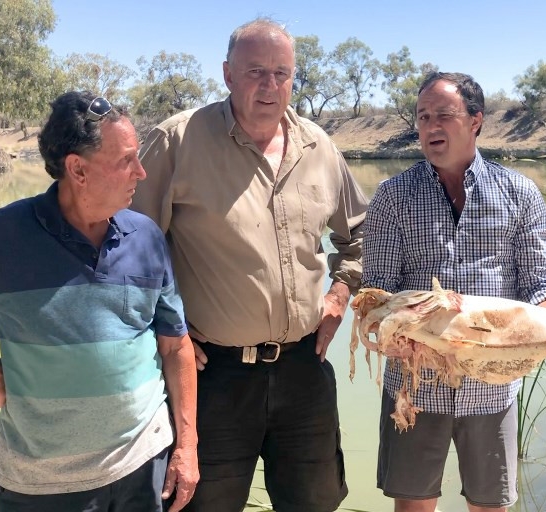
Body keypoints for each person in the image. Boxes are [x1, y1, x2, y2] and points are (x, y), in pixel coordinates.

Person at [0, 91, 199, 512]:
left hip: (145, 466)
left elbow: (176, 347)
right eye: (126, 161)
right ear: (77, 169)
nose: (141, 172)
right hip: (42, 485)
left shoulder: (147, 236)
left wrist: (186, 446)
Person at [131, 17, 368, 512]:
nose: (270, 84)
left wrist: (339, 296)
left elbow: (361, 237)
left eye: (281, 72)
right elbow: (126, 249)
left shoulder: (318, 146)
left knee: (316, 503)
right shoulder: (178, 141)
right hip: (212, 375)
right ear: (227, 74)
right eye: (255, 70)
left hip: (306, 368)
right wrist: (166, 329)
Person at [362, 72, 546, 512]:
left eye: (444, 115)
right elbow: (376, 293)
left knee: (491, 505)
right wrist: (391, 328)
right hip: (415, 385)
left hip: (492, 384)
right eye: (423, 117)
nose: (431, 126)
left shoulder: (520, 193)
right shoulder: (391, 197)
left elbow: (538, 282)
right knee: (414, 505)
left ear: (476, 120)